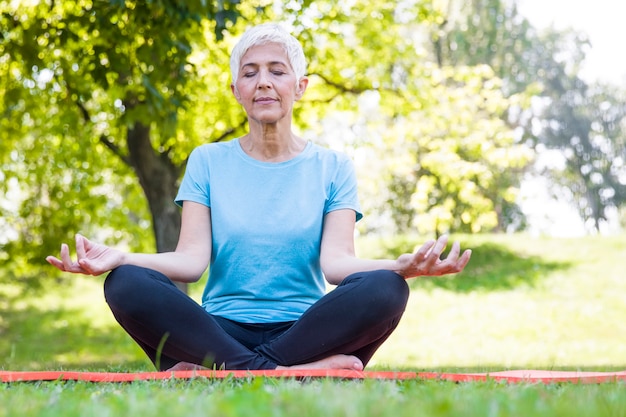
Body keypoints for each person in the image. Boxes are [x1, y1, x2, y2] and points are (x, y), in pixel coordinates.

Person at [46, 23, 472, 372]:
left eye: (276, 71)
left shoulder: (333, 166)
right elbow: (191, 262)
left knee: (388, 289)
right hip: (218, 331)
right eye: (249, 73)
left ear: (300, 86)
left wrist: (400, 267)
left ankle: (227, 370)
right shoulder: (208, 160)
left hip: (305, 330)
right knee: (125, 283)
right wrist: (121, 258)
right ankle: (303, 371)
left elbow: (337, 265)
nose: (263, 82)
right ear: (236, 90)